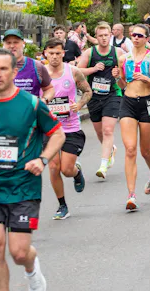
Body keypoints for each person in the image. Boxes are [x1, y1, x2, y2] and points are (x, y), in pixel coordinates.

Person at [0, 48, 66, 291]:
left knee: (19, 253)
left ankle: (32, 270)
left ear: (14, 71)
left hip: (24, 187)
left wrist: (42, 159)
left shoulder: (32, 104)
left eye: (3, 69)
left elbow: (58, 134)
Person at [114, 24, 150, 211]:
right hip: (128, 103)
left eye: (140, 35)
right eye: (133, 35)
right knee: (130, 149)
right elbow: (123, 84)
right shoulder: (123, 58)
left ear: (147, 38)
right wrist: (117, 77)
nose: (136, 38)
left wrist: (147, 79)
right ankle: (131, 195)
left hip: (148, 104)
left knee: (145, 151)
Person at [42, 38, 92, 220]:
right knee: (53, 167)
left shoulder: (73, 72)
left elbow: (88, 91)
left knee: (66, 169)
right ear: (45, 54)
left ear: (63, 53)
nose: (54, 57)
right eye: (51, 53)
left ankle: (76, 173)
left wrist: (79, 105)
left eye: (58, 53)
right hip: (50, 129)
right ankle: (62, 205)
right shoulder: (41, 74)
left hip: (71, 128)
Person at [77, 22, 122, 179]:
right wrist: (94, 69)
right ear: (96, 37)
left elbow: (126, 71)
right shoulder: (90, 53)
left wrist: (119, 74)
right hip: (94, 96)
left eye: (106, 35)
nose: (103, 38)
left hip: (112, 94)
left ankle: (103, 165)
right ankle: (111, 149)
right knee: (99, 132)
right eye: (100, 35)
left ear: (111, 35)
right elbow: (78, 70)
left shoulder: (118, 52)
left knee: (108, 130)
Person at [0, 29, 55, 103]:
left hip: (30, 116)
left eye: (16, 42)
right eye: (8, 43)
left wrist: (44, 100)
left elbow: (49, 89)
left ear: (23, 44)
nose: (12, 46)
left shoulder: (37, 66)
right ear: (3, 45)